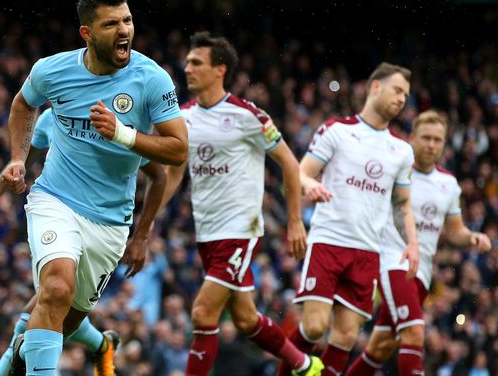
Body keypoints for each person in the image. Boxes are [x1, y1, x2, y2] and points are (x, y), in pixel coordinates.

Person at [0, 0, 188, 376]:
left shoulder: (152, 79)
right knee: (55, 289)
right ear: (86, 33)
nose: (124, 31)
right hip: (55, 199)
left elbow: (177, 150)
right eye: (111, 24)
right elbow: (22, 105)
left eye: (128, 20)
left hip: (109, 222)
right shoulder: (52, 71)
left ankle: (26, 353)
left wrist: (122, 133)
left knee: (64, 322)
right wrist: (18, 158)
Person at [160, 32, 323, 376]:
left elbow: (291, 165)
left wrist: (294, 221)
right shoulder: (184, 117)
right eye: (187, 61)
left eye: (196, 62)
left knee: (203, 313)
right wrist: (148, 221)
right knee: (246, 319)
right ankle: (305, 365)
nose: (187, 68)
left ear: (220, 70)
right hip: (206, 232)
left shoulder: (248, 115)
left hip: (240, 230)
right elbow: (174, 174)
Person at [0, 108, 167, 375]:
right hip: (57, 219)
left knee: (56, 320)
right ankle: (52, 349)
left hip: (103, 231)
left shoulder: (115, 124)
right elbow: (19, 163)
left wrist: (141, 236)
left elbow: (159, 175)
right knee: (50, 300)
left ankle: (100, 344)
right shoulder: (52, 116)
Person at [277, 62, 420, 376]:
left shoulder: (402, 151)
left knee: (345, 337)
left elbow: (403, 205)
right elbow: (300, 172)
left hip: (367, 251)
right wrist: (310, 184)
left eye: (406, 95)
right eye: (397, 90)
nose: (401, 99)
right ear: (375, 87)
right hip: (329, 240)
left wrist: (412, 244)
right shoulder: (338, 131)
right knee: (314, 328)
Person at [344, 110, 492, 376]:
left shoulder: (448, 183)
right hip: (393, 262)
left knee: (380, 347)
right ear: (412, 138)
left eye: (437, 139)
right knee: (414, 331)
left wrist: (472, 237)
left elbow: (455, 230)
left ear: (445, 143)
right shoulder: (393, 171)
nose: (431, 145)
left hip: (422, 271)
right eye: (426, 138)